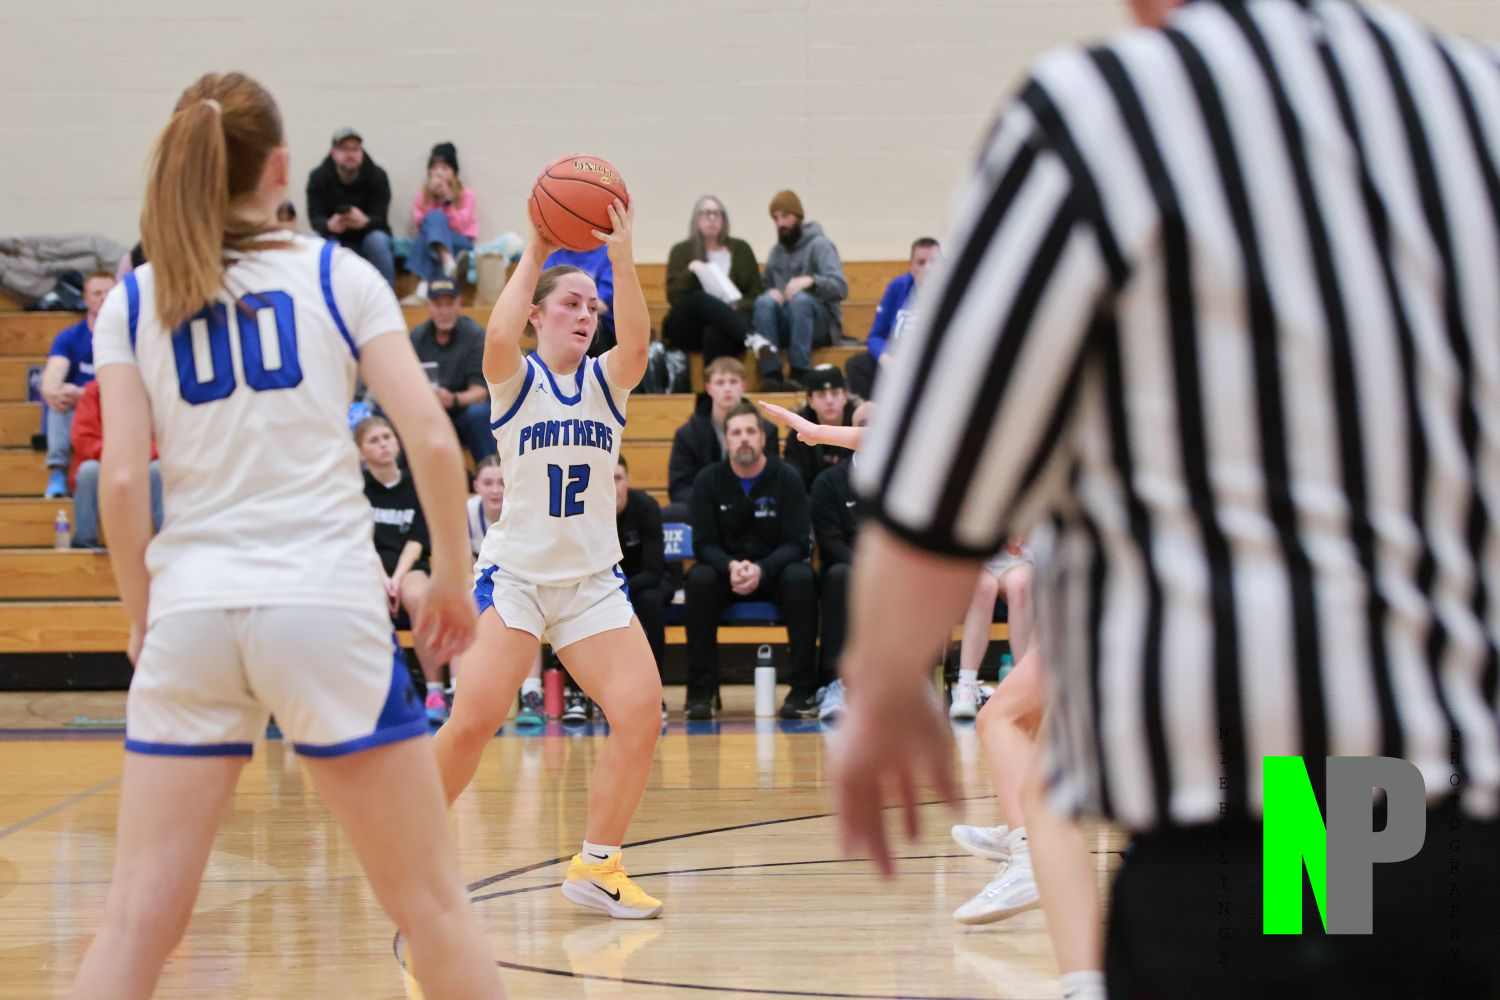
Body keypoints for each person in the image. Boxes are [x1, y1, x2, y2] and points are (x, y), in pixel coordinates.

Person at [835, 2, 1500, 999]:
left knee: (1316, 928)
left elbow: (942, 470)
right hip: (1458, 804)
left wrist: (886, 682)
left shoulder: (1105, 112)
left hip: (1268, 802)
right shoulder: (1475, 100)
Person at [71, 72, 500, 999]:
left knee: (136, 923)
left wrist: (142, 618)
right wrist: (454, 579)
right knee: (433, 909)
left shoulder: (134, 300)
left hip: (193, 611)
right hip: (320, 603)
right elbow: (433, 439)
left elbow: (121, 482)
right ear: (279, 169)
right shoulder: (336, 275)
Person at [431, 197, 666, 919]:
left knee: (642, 712)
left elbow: (636, 346)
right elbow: (497, 337)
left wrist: (620, 258)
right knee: (475, 720)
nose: (585, 313)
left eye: (592, 305)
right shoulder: (517, 380)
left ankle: (598, 867)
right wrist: (535, 249)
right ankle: (407, 844)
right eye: (571, 302)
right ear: (537, 313)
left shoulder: (606, 382)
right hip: (519, 582)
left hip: (591, 584)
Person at [684, 401, 816, 720]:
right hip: (726, 573)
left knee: (801, 577)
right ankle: (701, 691)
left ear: (763, 438)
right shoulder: (707, 481)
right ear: (726, 440)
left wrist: (762, 569)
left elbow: (798, 543)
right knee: (698, 579)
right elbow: (703, 544)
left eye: (750, 431)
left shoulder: (787, 477)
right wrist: (731, 567)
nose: (744, 438)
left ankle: (803, 690)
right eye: (736, 432)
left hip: (775, 573)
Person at [356, 416, 448, 726]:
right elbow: (361, 540)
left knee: (418, 594)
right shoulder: (356, 489)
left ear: (397, 443)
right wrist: (383, 580)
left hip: (408, 566)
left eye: (387, 437)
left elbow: (417, 540)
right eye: (374, 440)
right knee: (367, 599)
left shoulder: (417, 484)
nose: (383, 444)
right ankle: (379, 695)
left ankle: (434, 691)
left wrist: (395, 579)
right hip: (369, 566)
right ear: (361, 453)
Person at [801, 400, 874, 723]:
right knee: (838, 575)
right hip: (850, 566)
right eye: (864, 424)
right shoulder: (829, 481)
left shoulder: (905, 479)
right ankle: (836, 683)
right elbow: (829, 540)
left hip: (895, 567)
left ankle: (914, 682)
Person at [466, 457, 545, 727]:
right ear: (476, 486)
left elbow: (533, 562)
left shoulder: (526, 510)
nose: (495, 490)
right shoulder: (466, 513)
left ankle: (532, 693)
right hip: (480, 583)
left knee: (529, 605)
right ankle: (457, 690)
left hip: (520, 580)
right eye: (488, 483)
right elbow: (461, 566)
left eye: (501, 482)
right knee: (460, 609)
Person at [751, 190, 848, 391]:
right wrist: (770, 292)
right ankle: (772, 373)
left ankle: (799, 372)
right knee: (763, 303)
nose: (781, 223)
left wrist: (811, 281)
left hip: (819, 323)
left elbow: (840, 287)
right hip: (788, 321)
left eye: (785, 216)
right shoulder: (776, 252)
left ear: (798, 216)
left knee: (800, 301)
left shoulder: (821, 245)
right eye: (776, 218)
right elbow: (765, 285)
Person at [664, 356, 780, 521]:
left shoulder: (767, 430)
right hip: (706, 509)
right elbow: (679, 488)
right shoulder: (688, 434)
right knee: (674, 512)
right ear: (708, 388)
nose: (727, 388)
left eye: (733, 382)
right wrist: (714, 502)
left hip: (753, 507)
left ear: (744, 386)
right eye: (720, 382)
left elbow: (772, 479)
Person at [662, 195, 764, 366]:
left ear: (724, 220)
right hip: (688, 326)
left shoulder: (741, 249)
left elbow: (756, 294)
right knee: (700, 298)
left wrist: (735, 306)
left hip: (729, 326)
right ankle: (753, 338)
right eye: (706, 213)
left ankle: (714, 382)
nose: (712, 219)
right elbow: (674, 297)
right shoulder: (681, 250)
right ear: (696, 219)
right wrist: (691, 271)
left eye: (717, 214)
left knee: (716, 329)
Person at [40, 269, 116, 497]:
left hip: (115, 411)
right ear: (85, 299)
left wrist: (83, 393)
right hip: (82, 415)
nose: (104, 298)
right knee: (58, 400)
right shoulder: (70, 337)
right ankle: (58, 471)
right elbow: (51, 380)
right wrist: (56, 391)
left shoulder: (130, 336)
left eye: (109, 293)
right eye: (97, 293)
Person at [408, 277, 496, 462]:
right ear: (428, 306)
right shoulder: (417, 336)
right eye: (438, 305)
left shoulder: (474, 335)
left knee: (479, 413)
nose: (444, 311)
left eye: (449, 304)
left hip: (462, 412)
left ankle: (490, 471)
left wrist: (453, 399)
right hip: (427, 412)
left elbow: (480, 393)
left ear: (459, 304)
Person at [68, 379, 164, 548]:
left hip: (144, 461)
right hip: (103, 461)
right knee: (88, 471)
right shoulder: (93, 391)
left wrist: (139, 455)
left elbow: (165, 438)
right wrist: (115, 454)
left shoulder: (153, 391)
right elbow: (82, 438)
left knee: (158, 470)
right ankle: (83, 540)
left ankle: (167, 536)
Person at [843, 238, 940, 400]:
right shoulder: (898, 287)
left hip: (934, 361)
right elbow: (876, 336)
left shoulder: (954, 291)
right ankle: (876, 411)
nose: (928, 268)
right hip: (897, 360)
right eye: (921, 262)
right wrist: (886, 358)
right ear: (911, 265)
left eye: (934, 262)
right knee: (856, 365)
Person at [948, 541, 1033, 720]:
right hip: (979, 557)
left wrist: (1023, 534)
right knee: (984, 588)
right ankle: (966, 686)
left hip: (1018, 559)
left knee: (1020, 585)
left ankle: (1025, 687)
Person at [615, 457, 670, 719]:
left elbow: (653, 571)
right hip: (602, 588)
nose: (612, 486)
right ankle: (582, 696)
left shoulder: (646, 507)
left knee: (650, 601)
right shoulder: (587, 512)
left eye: (617, 478)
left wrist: (616, 591)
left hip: (641, 584)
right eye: (605, 479)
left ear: (628, 480)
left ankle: (655, 695)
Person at [306, 127, 395, 288]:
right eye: (344, 149)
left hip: (367, 235)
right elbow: (315, 218)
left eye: (355, 149)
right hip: (334, 235)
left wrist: (365, 221)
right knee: (313, 240)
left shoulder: (377, 176)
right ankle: (314, 295)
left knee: (378, 240)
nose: (350, 154)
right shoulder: (318, 177)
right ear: (333, 153)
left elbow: (382, 219)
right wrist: (329, 224)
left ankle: (388, 295)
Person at [404, 142, 478, 305]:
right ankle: (448, 262)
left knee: (433, 227)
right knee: (432, 228)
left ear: (454, 172)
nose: (439, 172)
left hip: (459, 241)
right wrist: (433, 200)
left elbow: (462, 225)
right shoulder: (422, 196)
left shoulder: (467, 195)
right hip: (434, 244)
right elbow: (420, 224)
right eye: (435, 168)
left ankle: (423, 288)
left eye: (444, 168)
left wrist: (446, 198)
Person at [781, 364, 858, 491]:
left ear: (845, 396)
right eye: (821, 395)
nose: (829, 401)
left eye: (835, 393)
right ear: (810, 400)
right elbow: (795, 482)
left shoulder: (859, 424)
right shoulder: (798, 434)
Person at [544, 244, 614, 355]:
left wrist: (571, 306)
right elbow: (544, 295)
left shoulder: (606, 253)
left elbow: (601, 305)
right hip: (560, 320)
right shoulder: (555, 252)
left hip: (602, 327)